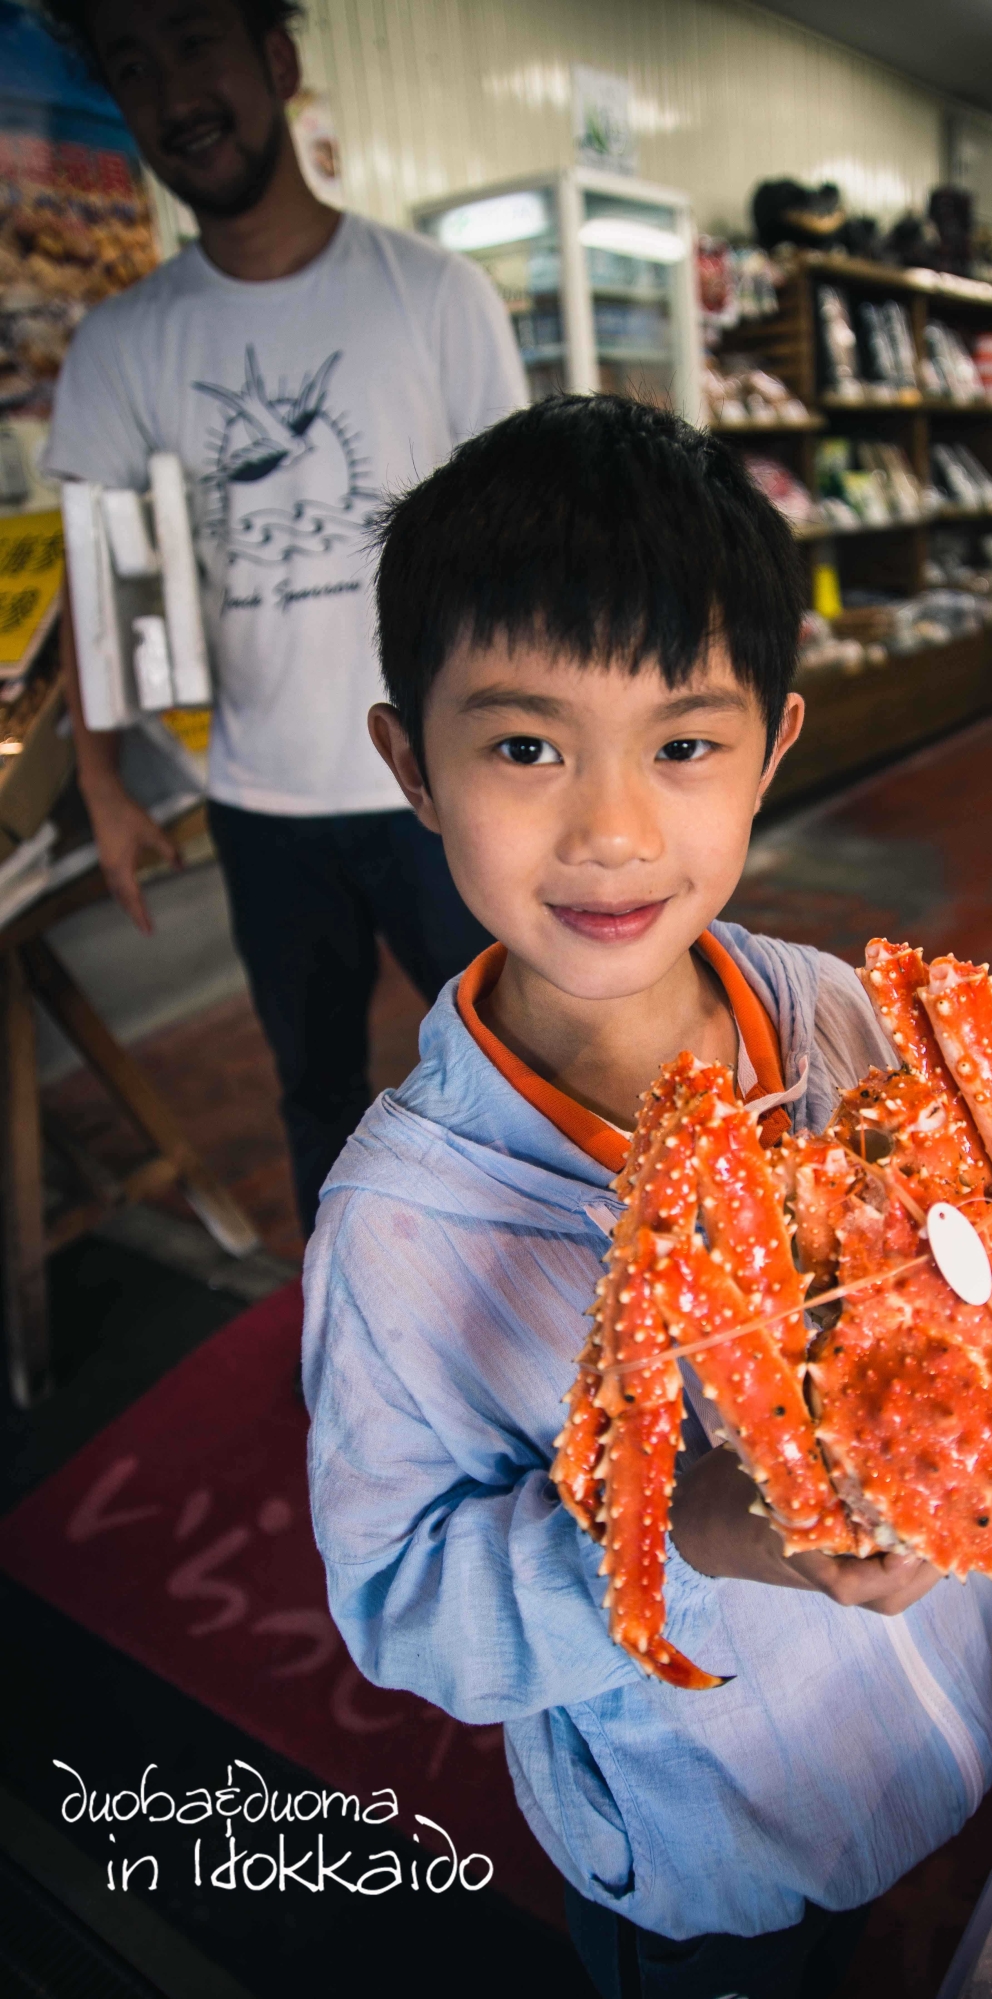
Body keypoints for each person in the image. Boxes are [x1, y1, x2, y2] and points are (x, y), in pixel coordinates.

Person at [302, 397, 992, 1999]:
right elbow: (403, 1600)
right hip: (689, 1848)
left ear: (772, 743)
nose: (611, 829)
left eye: (682, 742)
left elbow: (975, 1268)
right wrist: (685, 1519)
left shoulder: (836, 1017)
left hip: (932, 1725)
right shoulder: (396, 1232)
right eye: (526, 745)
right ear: (412, 762)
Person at [42, 0, 527, 1232]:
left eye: (194, 43)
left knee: (515, 1069)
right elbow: (100, 578)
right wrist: (101, 782)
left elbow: (519, 556)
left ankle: (560, 1325)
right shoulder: (123, 342)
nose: (172, 93)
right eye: (133, 66)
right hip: (260, 802)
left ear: (278, 58)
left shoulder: (432, 297)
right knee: (316, 1095)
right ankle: (345, 1331)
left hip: (441, 786)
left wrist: (539, 764)